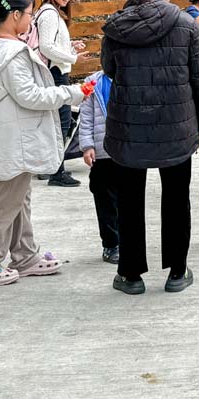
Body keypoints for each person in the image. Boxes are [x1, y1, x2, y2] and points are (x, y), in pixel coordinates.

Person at [101, 0, 199, 296]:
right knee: (177, 199)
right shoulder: (186, 25)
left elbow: (109, 69)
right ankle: (177, 271)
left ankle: (131, 274)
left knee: (130, 200)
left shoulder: (117, 25)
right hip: (176, 126)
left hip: (128, 126)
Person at [0, 0, 85, 286]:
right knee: (5, 203)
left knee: (19, 198)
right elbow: (30, 95)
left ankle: (25, 254)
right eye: (29, 14)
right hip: (13, 138)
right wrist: (74, 93)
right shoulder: (13, 54)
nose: (31, 20)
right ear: (15, 15)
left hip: (7, 137)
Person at [34, 0, 88, 188]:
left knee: (58, 121)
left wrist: (71, 46)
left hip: (57, 71)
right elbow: (47, 47)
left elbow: (52, 45)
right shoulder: (49, 13)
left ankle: (51, 167)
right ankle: (57, 171)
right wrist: (74, 58)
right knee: (61, 122)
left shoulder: (54, 13)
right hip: (55, 73)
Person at [78, 66, 119, 267]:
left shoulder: (132, 78)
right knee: (105, 200)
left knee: (127, 200)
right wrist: (87, 146)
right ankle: (111, 244)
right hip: (102, 153)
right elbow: (85, 118)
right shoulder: (93, 82)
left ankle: (129, 242)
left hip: (127, 152)